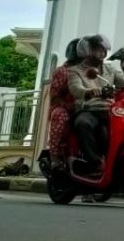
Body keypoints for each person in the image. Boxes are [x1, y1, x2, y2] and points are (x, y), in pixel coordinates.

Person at [67, 34, 124, 175]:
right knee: (83, 124)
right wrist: (89, 92)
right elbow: (75, 88)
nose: (102, 53)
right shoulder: (76, 71)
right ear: (88, 50)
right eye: (98, 49)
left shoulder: (110, 69)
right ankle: (95, 163)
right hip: (89, 109)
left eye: (104, 50)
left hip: (110, 110)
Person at [47, 38, 82, 167]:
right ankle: (54, 156)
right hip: (66, 107)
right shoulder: (62, 71)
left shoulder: (88, 70)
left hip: (86, 107)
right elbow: (55, 96)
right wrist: (68, 105)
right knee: (60, 115)